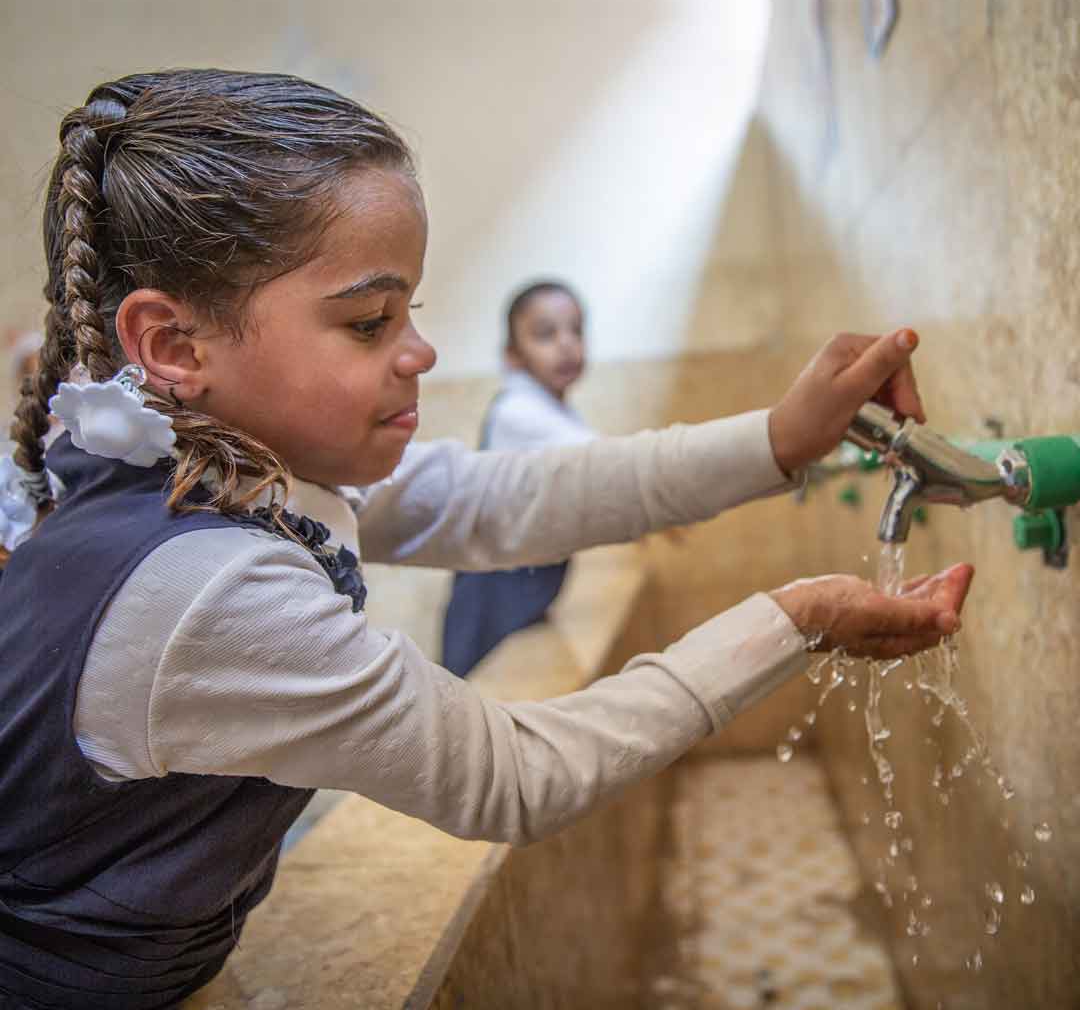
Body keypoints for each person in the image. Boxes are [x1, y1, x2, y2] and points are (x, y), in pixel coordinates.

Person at [0, 69, 973, 1009]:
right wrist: (793, 620)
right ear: (174, 347)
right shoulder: (204, 591)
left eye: (410, 312)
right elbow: (514, 775)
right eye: (370, 320)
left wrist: (779, 438)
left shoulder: (222, 471)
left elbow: (494, 500)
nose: (419, 351)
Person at [441, 279, 594, 676]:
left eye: (576, 330)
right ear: (512, 355)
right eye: (546, 334)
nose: (566, 343)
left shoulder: (553, 410)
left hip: (523, 587)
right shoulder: (517, 410)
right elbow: (607, 464)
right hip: (493, 595)